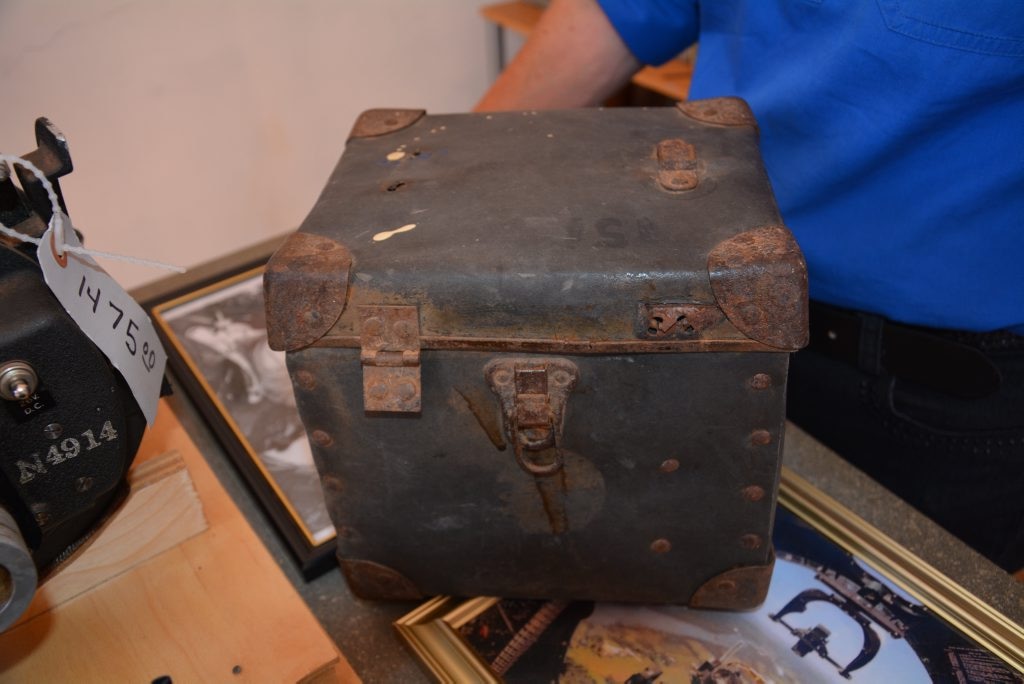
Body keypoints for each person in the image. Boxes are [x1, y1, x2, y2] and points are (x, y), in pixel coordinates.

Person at [475, 0, 1024, 573]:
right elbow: (622, 12)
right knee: (666, 573)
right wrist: (436, 183)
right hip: (711, 320)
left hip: (938, 389)